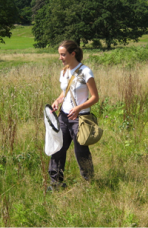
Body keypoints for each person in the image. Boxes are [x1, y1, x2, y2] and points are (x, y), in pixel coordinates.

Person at [49, 40, 99, 190]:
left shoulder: (85, 71)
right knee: (58, 149)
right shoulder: (64, 72)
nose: (60, 58)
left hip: (80, 119)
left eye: (63, 55)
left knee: (81, 151)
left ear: (73, 54)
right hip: (63, 117)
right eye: (60, 54)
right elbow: (64, 93)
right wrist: (57, 100)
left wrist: (79, 108)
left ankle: (88, 182)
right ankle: (56, 183)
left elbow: (95, 97)